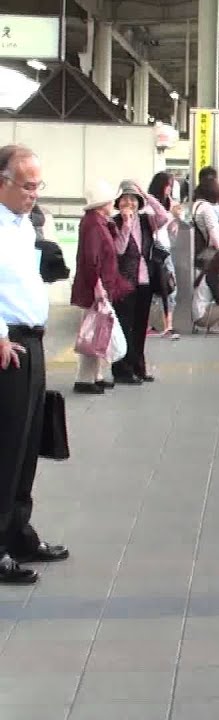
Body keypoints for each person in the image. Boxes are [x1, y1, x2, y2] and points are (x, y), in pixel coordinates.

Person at [0, 144, 70, 585]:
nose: (34, 194)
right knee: (5, 446)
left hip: (32, 341)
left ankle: (18, 532)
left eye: (37, 185)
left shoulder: (22, 225)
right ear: (2, 182)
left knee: (27, 445)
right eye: (27, 186)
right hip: (7, 344)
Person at [70, 180, 133, 393]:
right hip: (95, 287)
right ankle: (84, 379)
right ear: (102, 203)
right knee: (92, 332)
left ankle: (95, 375)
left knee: (98, 331)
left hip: (100, 285)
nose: (113, 203)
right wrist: (97, 286)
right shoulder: (93, 224)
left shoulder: (99, 222)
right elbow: (91, 259)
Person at [109, 180, 162, 384]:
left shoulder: (147, 220)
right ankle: (122, 369)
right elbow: (119, 250)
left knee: (140, 327)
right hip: (124, 281)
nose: (129, 203)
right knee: (124, 326)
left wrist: (147, 195)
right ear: (118, 202)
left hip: (145, 280)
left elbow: (164, 216)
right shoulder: (114, 222)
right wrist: (126, 225)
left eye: (133, 199)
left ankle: (139, 367)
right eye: (125, 199)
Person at [146, 172, 180, 340]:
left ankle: (166, 325)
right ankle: (165, 325)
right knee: (167, 286)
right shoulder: (149, 205)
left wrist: (174, 219)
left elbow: (169, 224)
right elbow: (156, 222)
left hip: (164, 250)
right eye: (168, 185)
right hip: (156, 251)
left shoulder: (166, 203)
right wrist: (170, 215)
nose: (169, 189)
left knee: (166, 287)